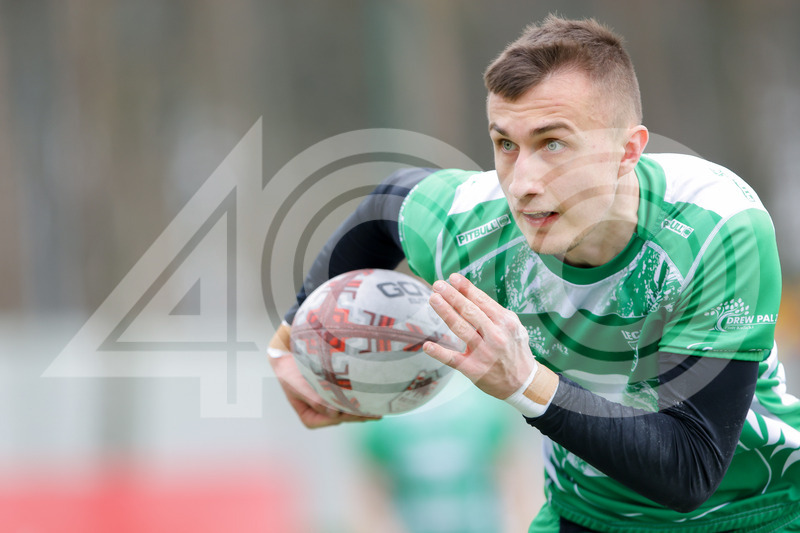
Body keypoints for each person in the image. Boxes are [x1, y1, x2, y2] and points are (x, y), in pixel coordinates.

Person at [268, 15, 800, 532]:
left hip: (763, 510)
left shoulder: (716, 226)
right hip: (585, 514)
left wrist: (525, 383)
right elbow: (386, 205)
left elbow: (691, 469)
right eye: (506, 144)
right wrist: (291, 341)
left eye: (552, 143)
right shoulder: (474, 226)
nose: (522, 183)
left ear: (627, 151)